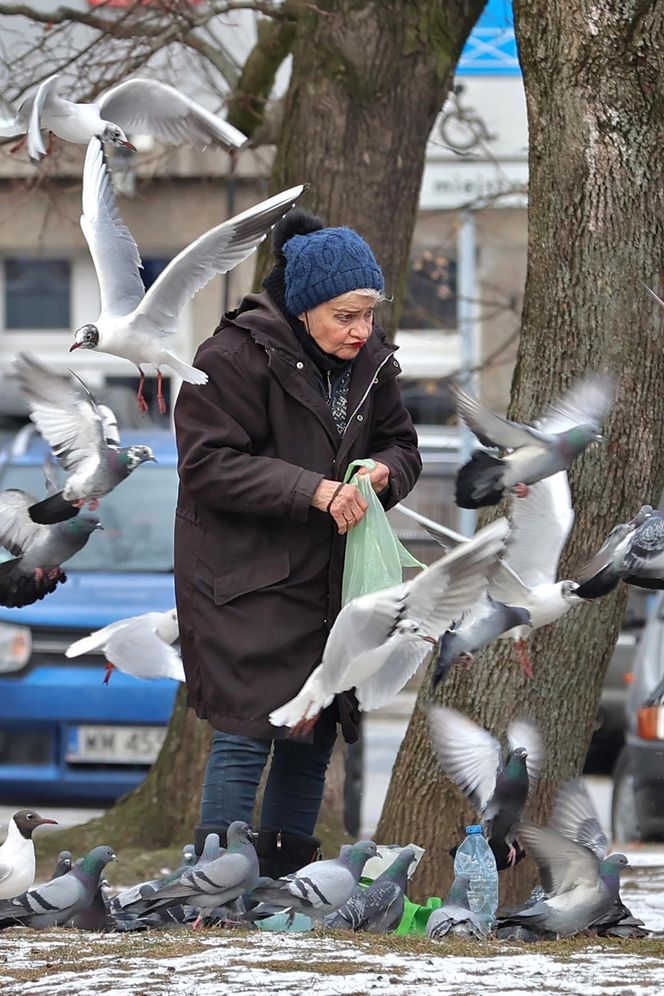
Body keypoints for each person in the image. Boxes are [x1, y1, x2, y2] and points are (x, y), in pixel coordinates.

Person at [174, 208, 421, 878]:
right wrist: (312, 490)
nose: (362, 330)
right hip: (245, 580)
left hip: (333, 585)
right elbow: (205, 464)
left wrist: (384, 473)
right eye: (346, 315)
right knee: (248, 730)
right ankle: (210, 891)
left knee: (313, 734)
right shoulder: (228, 358)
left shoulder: (371, 359)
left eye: (369, 314)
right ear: (305, 305)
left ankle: (283, 888)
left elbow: (402, 443)